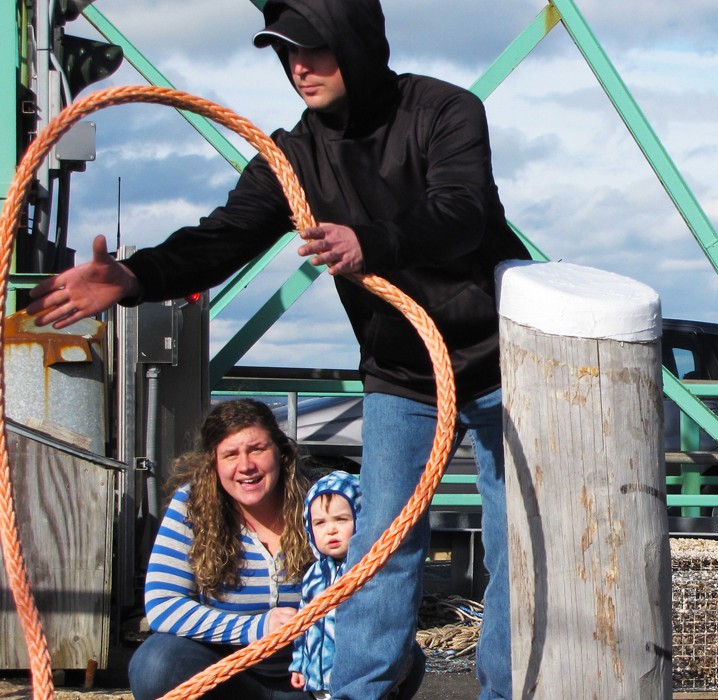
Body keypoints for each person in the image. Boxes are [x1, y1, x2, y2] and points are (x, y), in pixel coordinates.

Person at [29, 1, 530, 698]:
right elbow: (223, 236)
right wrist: (135, 277)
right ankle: (358, 694)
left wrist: (372, 241)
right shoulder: (292, 155)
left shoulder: (443, 111)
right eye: (285, 52)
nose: (299, 67)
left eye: (315, 50)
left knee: (518, 546)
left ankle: (507, 692)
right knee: (380, 547)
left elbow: (463, 210)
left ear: (356, 46)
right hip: (403, 371)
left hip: (505, 360)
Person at [127, 399, 314, 700]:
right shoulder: (192, 506)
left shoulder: (321, 502)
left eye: (257, 449)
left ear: (280, 451)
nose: (246, 466)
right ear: (213, 462)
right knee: (156, 663)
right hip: (226, 674)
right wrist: (256, 627)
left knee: (401, 656)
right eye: (230, 454)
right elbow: (163, 605)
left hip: (308, 675)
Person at [289, 470, 423, 700]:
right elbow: (304, 622)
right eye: (320, 522)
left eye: (341, 519)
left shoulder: (368, 571)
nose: (331, 529)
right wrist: (299, 662)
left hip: (364, 678)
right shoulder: (314, 575)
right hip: (319, 680)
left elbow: (394, 618)